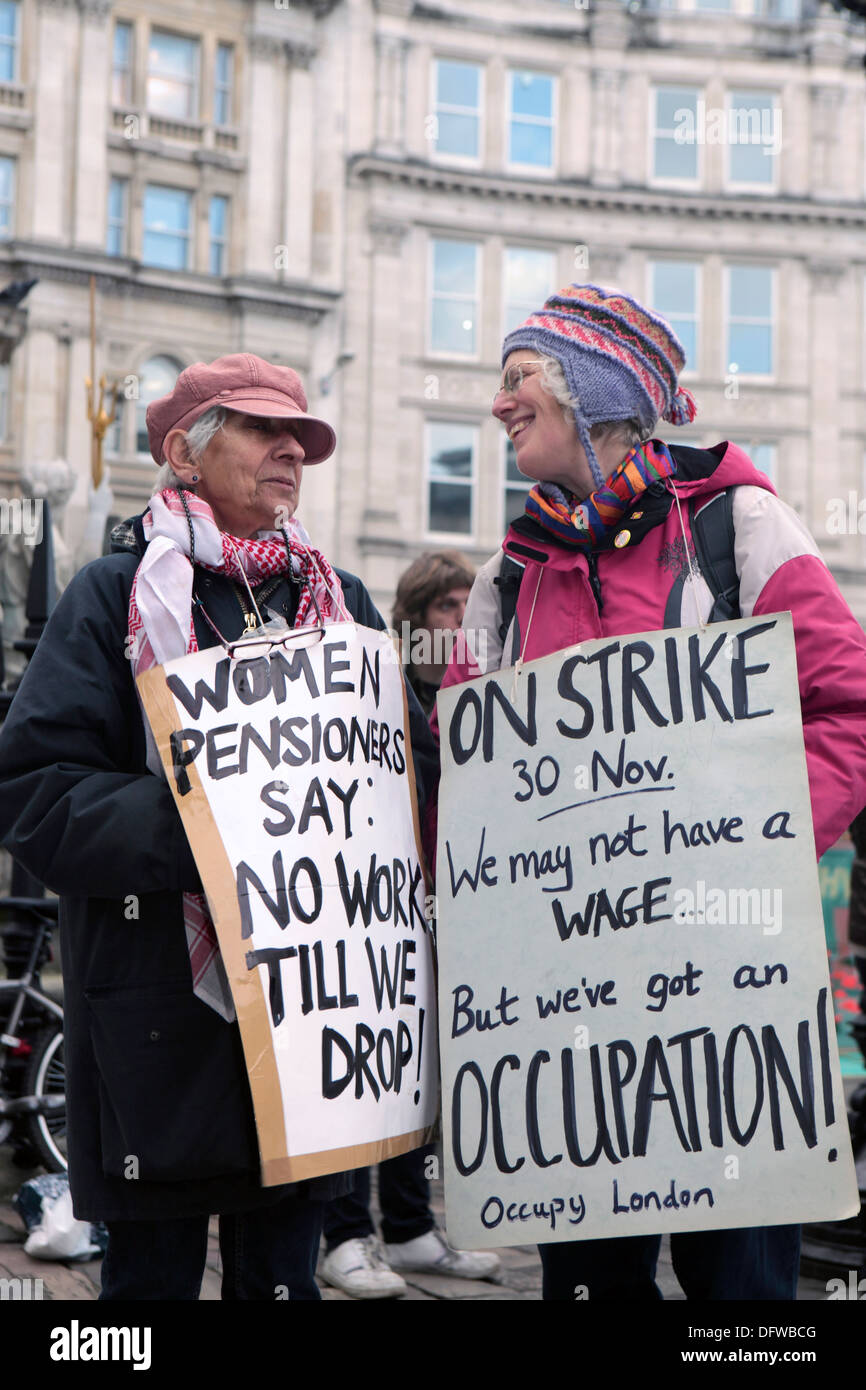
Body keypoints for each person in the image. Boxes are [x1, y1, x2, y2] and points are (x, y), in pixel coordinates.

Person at [433, 282, 866, 1301]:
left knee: (742, 1297)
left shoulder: (738, 527)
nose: (496, 404)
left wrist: (746, 836)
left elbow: (844, 704)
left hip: (729, 992)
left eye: (517, 378)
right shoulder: (508, 576)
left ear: (591, 390)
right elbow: (467, 766)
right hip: (569, 1009)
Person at [0, 353, 438, 1301]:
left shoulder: (348, 608)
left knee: (283, 1283)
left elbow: (397, 787)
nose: (292, 450)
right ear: (183, 455)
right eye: (261, 429)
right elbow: (35, 790)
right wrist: (212, 822)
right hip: (158, 1016)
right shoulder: (111, 598)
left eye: (303, 437)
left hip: (309, 1028)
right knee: (146, 1301)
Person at [319, 549, 501, 1299]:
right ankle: (343, 1235)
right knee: (359, 1068)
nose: (461, 621)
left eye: (469, 607)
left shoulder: (485, 697)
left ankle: (410, 1227)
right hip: (372, 913)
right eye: (447, 608)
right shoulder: (380, 692)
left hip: (443, 913)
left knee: (415, 1077)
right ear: (415, 618)